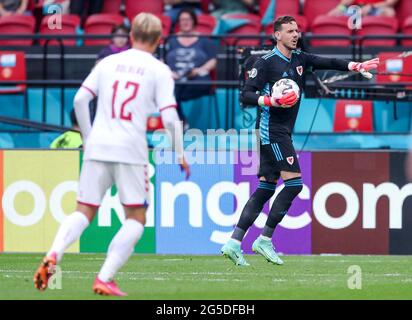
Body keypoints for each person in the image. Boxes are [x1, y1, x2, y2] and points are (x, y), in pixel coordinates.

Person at [33, 12, 190, 296]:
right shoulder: (159, 70)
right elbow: (169, 118)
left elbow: (80, 99)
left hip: (97, 145)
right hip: (130, 148)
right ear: (158, 39)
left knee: (84, 210)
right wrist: (180, 153)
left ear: (131, 36)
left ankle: (54, 253)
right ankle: (104, 277)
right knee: (135, 218)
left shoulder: (108, 62)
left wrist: (89, 137)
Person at [221, 15, 380, 266]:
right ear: (277, 35)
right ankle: (264, 239)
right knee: (294, 184)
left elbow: (328, 61)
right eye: (290, 31)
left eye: (297, 30)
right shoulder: (265, 63)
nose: (296, 34)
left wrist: (355, 66)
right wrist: (271, 101)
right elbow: (247, 94)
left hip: (282, 130)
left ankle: (233, 242)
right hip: (272, 130)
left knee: (265, 189)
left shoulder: (299, 59)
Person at [165, 8, 217, 123]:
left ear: (193, 21)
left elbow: (214, 60)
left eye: (188, 19)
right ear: (178, 22)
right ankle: (182, 120)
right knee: (171, 89)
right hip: (175, 79)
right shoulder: (170, 40)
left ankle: (180, 122)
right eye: (182, 19)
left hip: (197, 79)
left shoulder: (204, 40)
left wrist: (199, 70)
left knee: (172, 93)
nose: (185, 22)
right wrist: (169, 72)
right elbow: (162, 60)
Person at [328, 0, 399, 17]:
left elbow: (390, 2)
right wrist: (340, 8)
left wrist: (371, 6)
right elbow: (346, 2)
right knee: (332, 15)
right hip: (356, 8)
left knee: (389, 13)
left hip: (376, 8)